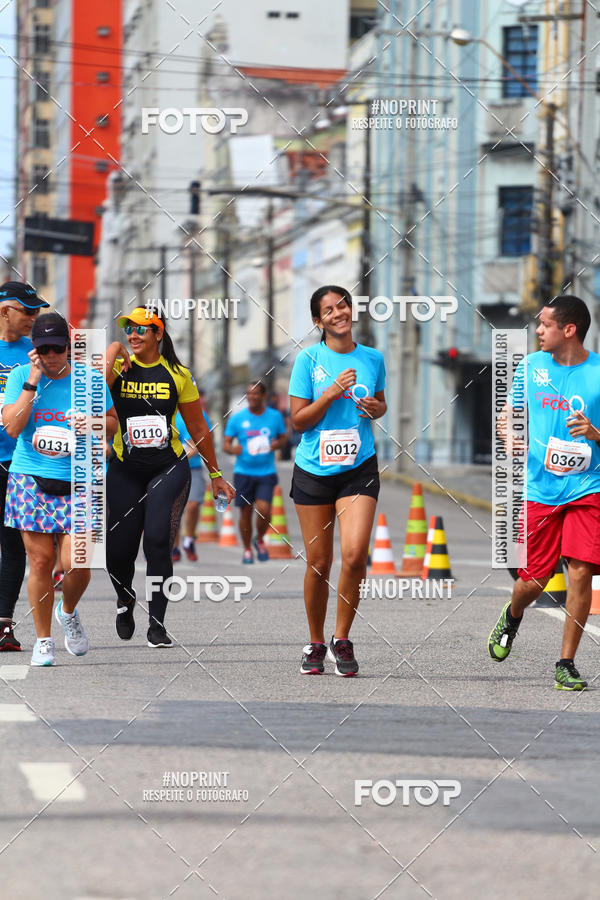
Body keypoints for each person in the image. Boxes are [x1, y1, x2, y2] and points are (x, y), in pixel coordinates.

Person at [105, 307, 234, 648]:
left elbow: (197, 427)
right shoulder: (119, 368)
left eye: (141, 330)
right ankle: (125, 598)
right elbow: (95, 389)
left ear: (158, 334)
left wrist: (216, 473)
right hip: (125, 468)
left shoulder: (178, 375)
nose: (133, 335)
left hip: (168, 466)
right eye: (128, 329)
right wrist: (114, 350)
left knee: (158, 541)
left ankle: (157, 624)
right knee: (117, 552)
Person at [489, 295, 600, 690]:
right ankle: (513, 614)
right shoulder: (532, 367)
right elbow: (508, 415)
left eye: (545, 324)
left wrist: (594, 434)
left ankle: (565, 663)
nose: (537, 331)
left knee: (581, 572)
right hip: (541, 488)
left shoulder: (599, 373)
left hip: (589, 487)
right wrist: (509, 435)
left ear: (568, 330)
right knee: (533, 580)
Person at [2, 312, 117, 667]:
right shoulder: (22, 375)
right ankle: (43, 641)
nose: (51, 355)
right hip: (29, 477)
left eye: (58, 348)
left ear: (69, 347)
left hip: (81, 477)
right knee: (40, 561)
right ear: (34, 350)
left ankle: (67, 611)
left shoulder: (90, 379)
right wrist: (33, 380)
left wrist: (94, 423)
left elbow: (113, 426)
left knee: (77, 562)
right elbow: (11, 427)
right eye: (44, 349)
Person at [288, 285, 386, 676]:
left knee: (355, 554)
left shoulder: (373, 357)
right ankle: (315, 642)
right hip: (314, 470)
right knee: (319, 562)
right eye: (328, 310)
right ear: (318, 321)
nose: (338, 313)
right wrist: (330, 393)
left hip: (358, 467)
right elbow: (298, 421)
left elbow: (379, 405)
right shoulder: (308, 359)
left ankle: (341, 640)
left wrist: (375, 407)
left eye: (342, 305)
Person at [0, 281, 49, 650]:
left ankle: (3, 625)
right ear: (5, 311)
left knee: (14, 547)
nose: (34, 318)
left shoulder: (36, 351)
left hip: (16, 460)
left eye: (37, 311)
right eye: (28, 311)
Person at [223, 381, 287, 563]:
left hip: (266, 472)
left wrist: (276, 444)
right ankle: (247, 549)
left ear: (263, 396)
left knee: (265, 510)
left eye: (255, 394)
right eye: (249, 394)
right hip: (243, 472)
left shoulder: (274, 417)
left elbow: (283, 438)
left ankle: (259, 539)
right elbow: (226, 443)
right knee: (245, 513)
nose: (251, 397)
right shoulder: (237, 418)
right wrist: (232, 449)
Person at [171, 407, 212, 562]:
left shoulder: (198, 414)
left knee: (193, 505)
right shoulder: (163, 412)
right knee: (174, 508)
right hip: (169, 470)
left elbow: (198, 444)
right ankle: (174, 546)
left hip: (192, 468)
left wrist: (177, 458)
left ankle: (188, 540)